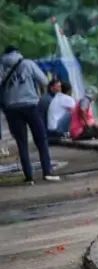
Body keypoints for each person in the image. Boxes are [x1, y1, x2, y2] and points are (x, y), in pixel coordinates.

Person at [0, 46, 59, 184]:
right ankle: (47, 172)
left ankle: (29, 177)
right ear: (18, 52)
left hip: (12, 108)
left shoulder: (1, 66)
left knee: (22, 143)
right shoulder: (27, 63)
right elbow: (44, 81)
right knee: (41, 139)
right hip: (31, 105)